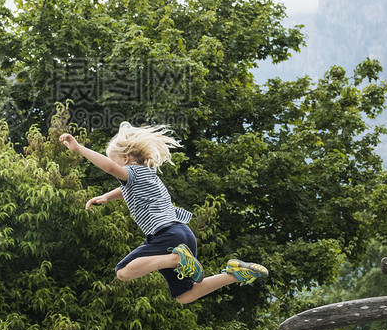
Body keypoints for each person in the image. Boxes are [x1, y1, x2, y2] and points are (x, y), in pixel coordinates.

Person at [59, 122, 268, 304]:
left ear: (124, 159)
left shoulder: (129, 173)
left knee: (123, 272)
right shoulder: (147, 174)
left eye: (114, 161)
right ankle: (236, 274)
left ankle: (175, 260)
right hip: (184, 233)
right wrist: (106, 196)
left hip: (166, 236)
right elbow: (126, 189)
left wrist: (79, 148)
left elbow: (111, 169)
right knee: (185, 295)